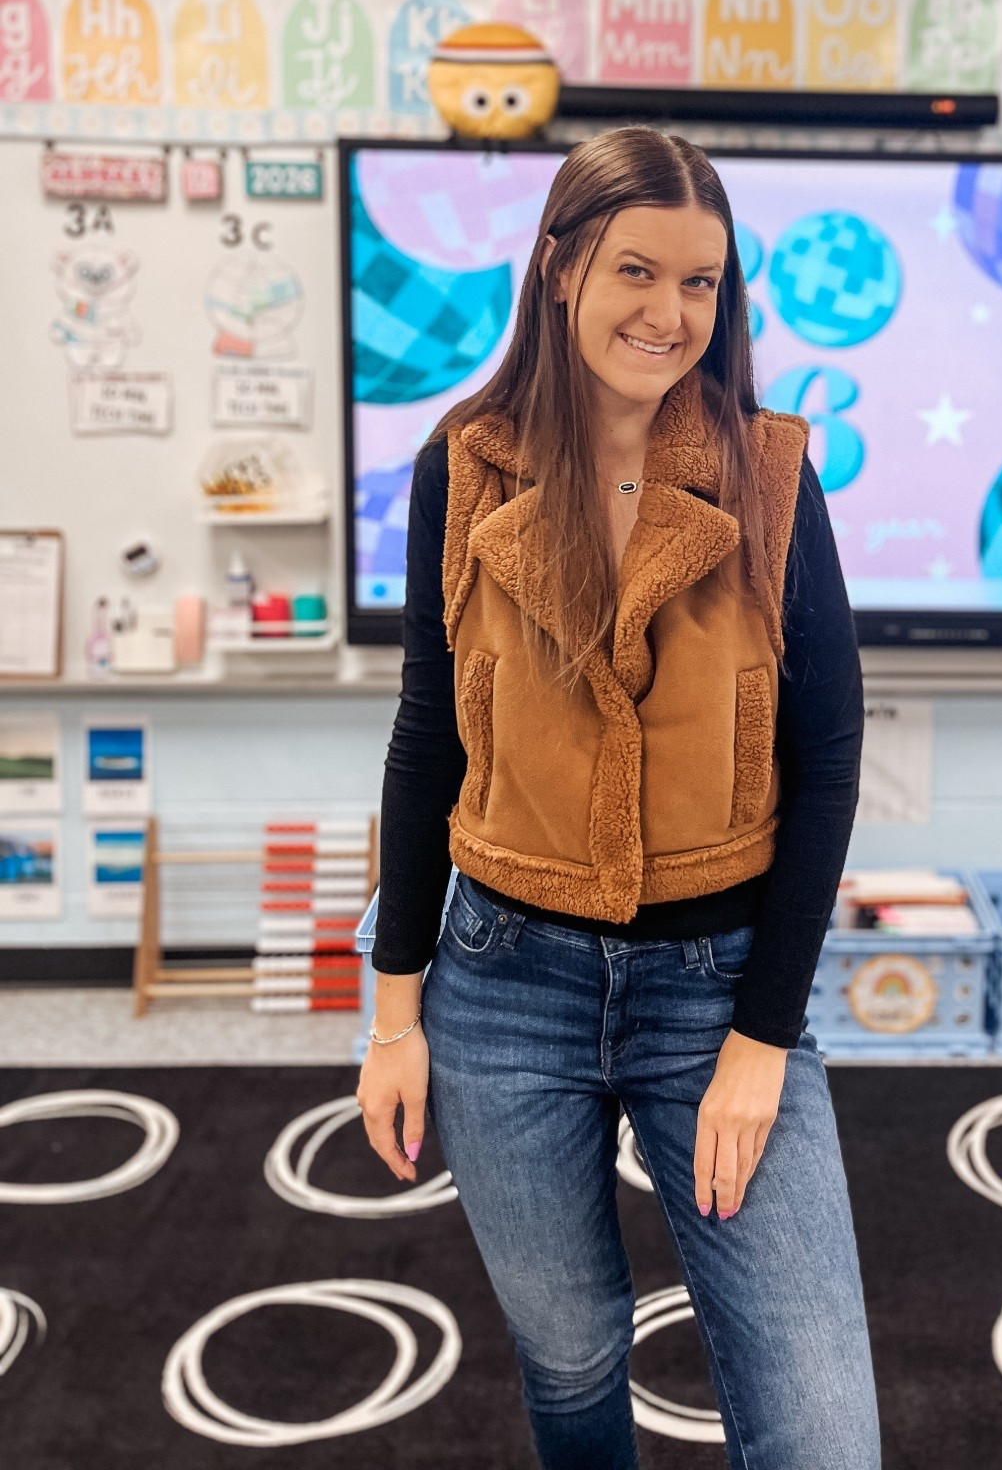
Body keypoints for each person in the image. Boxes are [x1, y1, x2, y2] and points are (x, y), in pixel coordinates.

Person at [359, 125, 882, 1469]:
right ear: (558, 269)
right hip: (500, 979)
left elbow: (827, 754)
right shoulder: (461, 467)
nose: (670, 313)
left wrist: (765, 1037)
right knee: (574, 1348)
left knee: (821, 1429)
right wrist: (393, 1013)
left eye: (701, 284)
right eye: (635, 270)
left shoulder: (771, 474)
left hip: (718, 985)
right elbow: (430, 739)